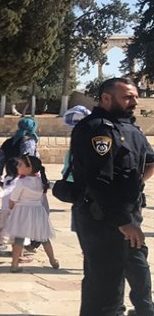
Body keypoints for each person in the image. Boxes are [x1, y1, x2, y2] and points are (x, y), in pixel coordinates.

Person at [70, 77, 154, 316]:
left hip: (129, 217)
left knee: (137, 273)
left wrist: (137, 185)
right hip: (102, 220)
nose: (134, 101)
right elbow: (99, 180)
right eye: (127, 97)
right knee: (104, 287)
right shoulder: (97, 128)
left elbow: (149, 161)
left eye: (135, 96)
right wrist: (122, 221)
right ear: (106, 98)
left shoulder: (131, 128)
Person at [2, 155, 58, 272]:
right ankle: (52, 260)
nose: (18, 166)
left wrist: (11, 207)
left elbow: (13, 198)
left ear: (29, 168)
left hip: (22, 211)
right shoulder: (40, 180)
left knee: (19, 238)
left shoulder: (21, 182)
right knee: (44, 238)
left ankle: (14, 264)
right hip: (37, 210)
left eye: (20, 164)